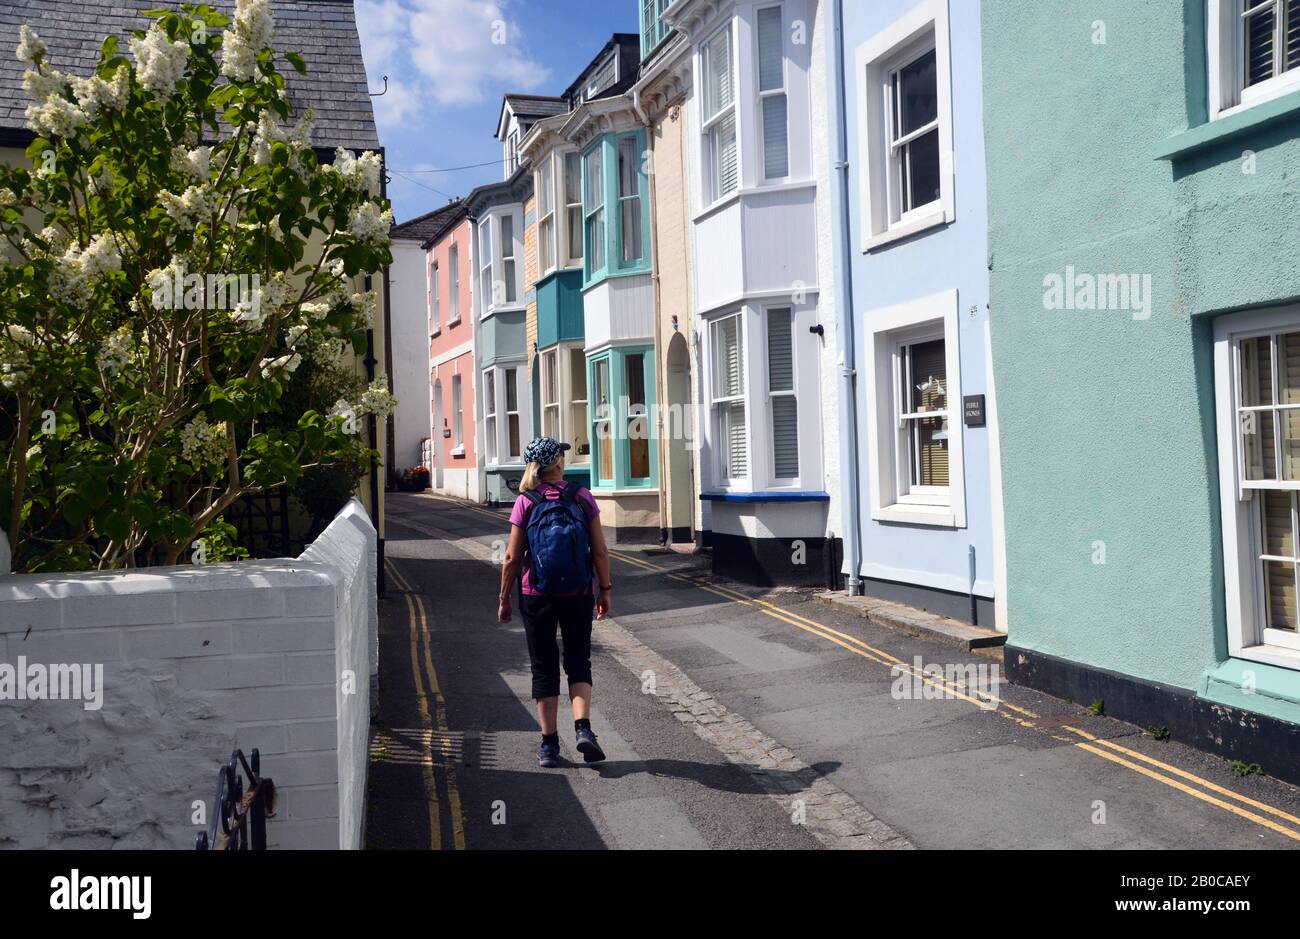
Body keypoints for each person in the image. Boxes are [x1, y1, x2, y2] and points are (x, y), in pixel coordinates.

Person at [498, 437, 613, 768]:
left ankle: (549, 746)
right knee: (579, 660)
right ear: (558, 464)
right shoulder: (581, 497)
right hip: (578, 593)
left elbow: (511, 558)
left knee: (543, 665)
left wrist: (504, 597)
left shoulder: (526, 502)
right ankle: (583, 730)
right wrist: (604, 589)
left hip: (537, 595)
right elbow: (601, 551)